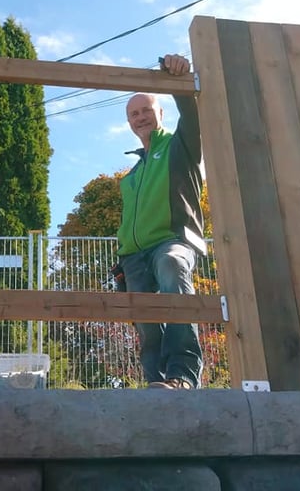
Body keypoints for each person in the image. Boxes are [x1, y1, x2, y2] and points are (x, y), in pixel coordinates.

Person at [117, 53, 205, 390]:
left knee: (171, 265)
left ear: (161, 113)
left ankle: (182, 376)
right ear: (129, 122)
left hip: (172, 241)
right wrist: (122, 258)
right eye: (134, 114)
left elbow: (194, 114)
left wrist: (180, 81)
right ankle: (157, 385)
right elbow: (129, 224)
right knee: (147, 324)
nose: (141, 117)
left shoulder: (178, 146)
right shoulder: (132, 175)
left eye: (146, 110)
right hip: (134, 256)